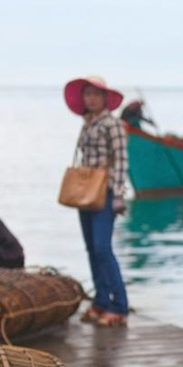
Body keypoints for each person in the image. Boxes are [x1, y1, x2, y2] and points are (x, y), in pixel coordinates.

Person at [64, 75, 130, 328]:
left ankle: (119, 305)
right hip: (86, 192)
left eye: (95, 94)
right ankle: (101, 300)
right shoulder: (87, 124)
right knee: (92, 248)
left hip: (105, 192)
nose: (90, 98)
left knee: (103, 248)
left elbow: (122, 160)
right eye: (87, 94)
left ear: (105, 98)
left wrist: (119, 194)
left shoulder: (112, 124)